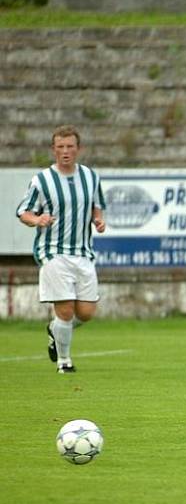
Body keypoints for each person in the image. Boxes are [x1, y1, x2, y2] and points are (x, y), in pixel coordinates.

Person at [16, 125, 106, 373]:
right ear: (53, 149)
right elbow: (23, 211)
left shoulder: (90, 176)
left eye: (70, 146)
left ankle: (55, 329)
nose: (65, 151)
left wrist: (98, 220)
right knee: (65, 309)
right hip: (53, 251)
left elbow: (97, 205)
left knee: (86, 312)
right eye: (60, 147)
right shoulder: (42, 180)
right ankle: (64, 362)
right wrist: (37, 220)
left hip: (82, 251)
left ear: (78, 149)